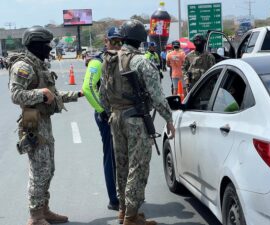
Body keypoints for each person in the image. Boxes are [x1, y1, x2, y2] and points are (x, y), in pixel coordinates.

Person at [100, 19, 175, 225]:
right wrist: (169, 119)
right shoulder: (141, 61)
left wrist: (113, 113)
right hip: (135, 120)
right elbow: (158, 96)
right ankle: (131, 217)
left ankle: (124, 210)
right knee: (138, 167)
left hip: (115, 118)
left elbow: (103, 94)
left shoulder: (109, 59)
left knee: (122, 165)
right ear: (141, 39)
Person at [8, 26, 84, 225]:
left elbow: (53, 96)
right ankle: (35, 216)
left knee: (48, 169)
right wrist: (41, 93)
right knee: (39, 170)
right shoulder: (24, 67)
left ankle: (44, 209)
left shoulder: (39, 65)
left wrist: (77, 94)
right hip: (32, 121)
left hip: (44, 122)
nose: (49, 49)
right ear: (36, 46)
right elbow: (16, 95)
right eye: (46, 45)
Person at [82, 26, 123, 211]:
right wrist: (103, 110)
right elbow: (88, 88)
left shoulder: (123, 59)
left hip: (122, 114)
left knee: (123, 156)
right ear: (106, 41)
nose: (116, 44)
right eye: (112, 41)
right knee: (111, 157)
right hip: (106, 116)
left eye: (119, 41)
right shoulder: (97, 62)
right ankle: (114, 199)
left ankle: (124, 195)